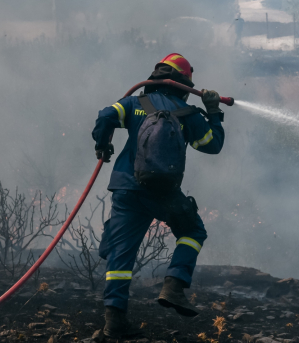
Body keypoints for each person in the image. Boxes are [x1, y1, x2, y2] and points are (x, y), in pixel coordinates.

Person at [91, 53, 225, 339]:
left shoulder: (136, 103)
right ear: (184, 84)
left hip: (127, 188)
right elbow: (213, 146)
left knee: (120, 254)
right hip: (163, 192)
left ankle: (114, 323)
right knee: (193, 231)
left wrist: (103, 146)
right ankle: (174, 286)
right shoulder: (188, 114)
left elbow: (105, 117)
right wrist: (212, 112)